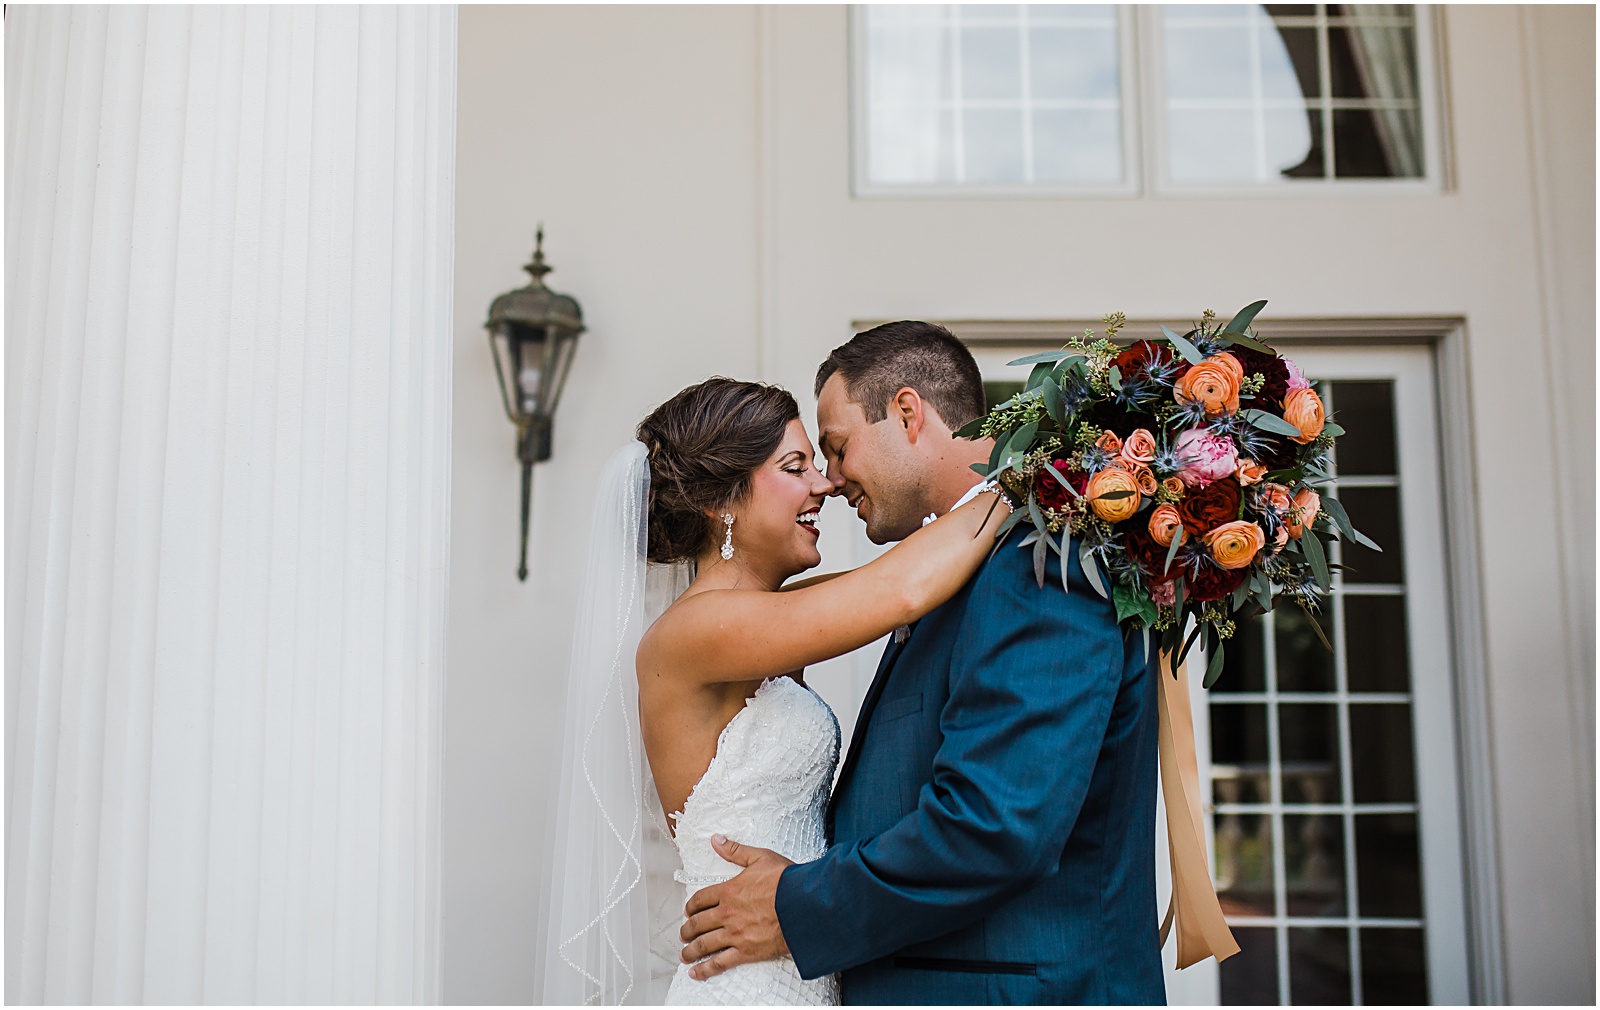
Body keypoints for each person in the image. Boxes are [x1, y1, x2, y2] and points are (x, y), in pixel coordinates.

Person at [675, 322, 1166, 1004]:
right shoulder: (952, 567)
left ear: (908, 413)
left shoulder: (1038, 561)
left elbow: (996, 827)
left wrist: (799, 906)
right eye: (802, 465)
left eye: (836, 448)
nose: (830, 481)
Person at [541, 375, 1008, 1005]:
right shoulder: (695, 631)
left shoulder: (762, 617)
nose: (825, 486)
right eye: (796, 468)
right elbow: (901, 589)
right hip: (745, 981)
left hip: (796, 958)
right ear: (720, 501)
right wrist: (1037, 473)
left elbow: (901, 574)